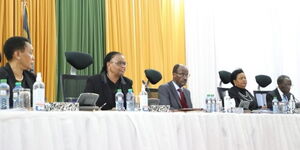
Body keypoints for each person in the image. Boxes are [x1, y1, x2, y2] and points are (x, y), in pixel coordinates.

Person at [0, 36, 36, 108]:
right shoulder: (1, 75)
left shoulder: (33, 78)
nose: (33, 58)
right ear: (17, 54)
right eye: (30, 53)